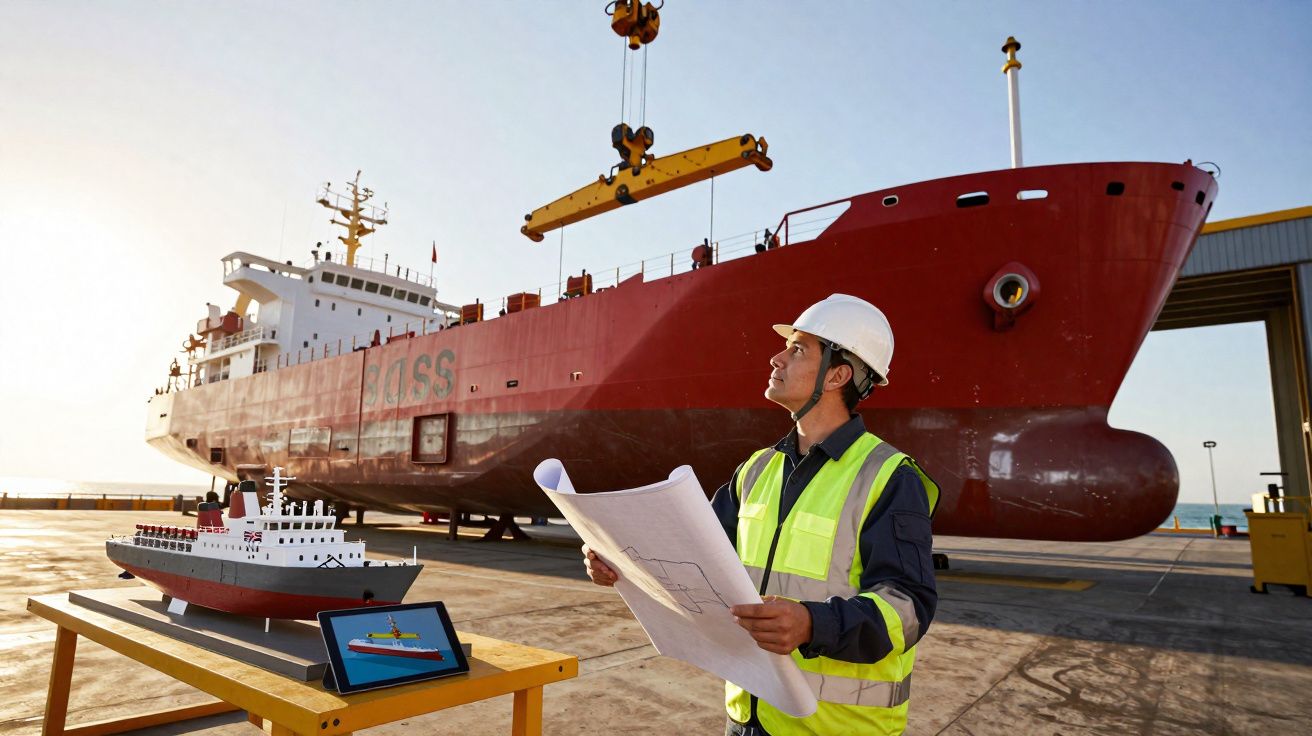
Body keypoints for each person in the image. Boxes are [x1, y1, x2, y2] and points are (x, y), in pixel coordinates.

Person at [583, 293, 939, 735]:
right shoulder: (756, 470)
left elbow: (908, 608)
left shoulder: (889, 476)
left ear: (837, 375)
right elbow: (690, 555)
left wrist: (813, 624)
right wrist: (619, 562)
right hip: (748, 717)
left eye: (798, 349)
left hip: (836, 728)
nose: (776, 358)